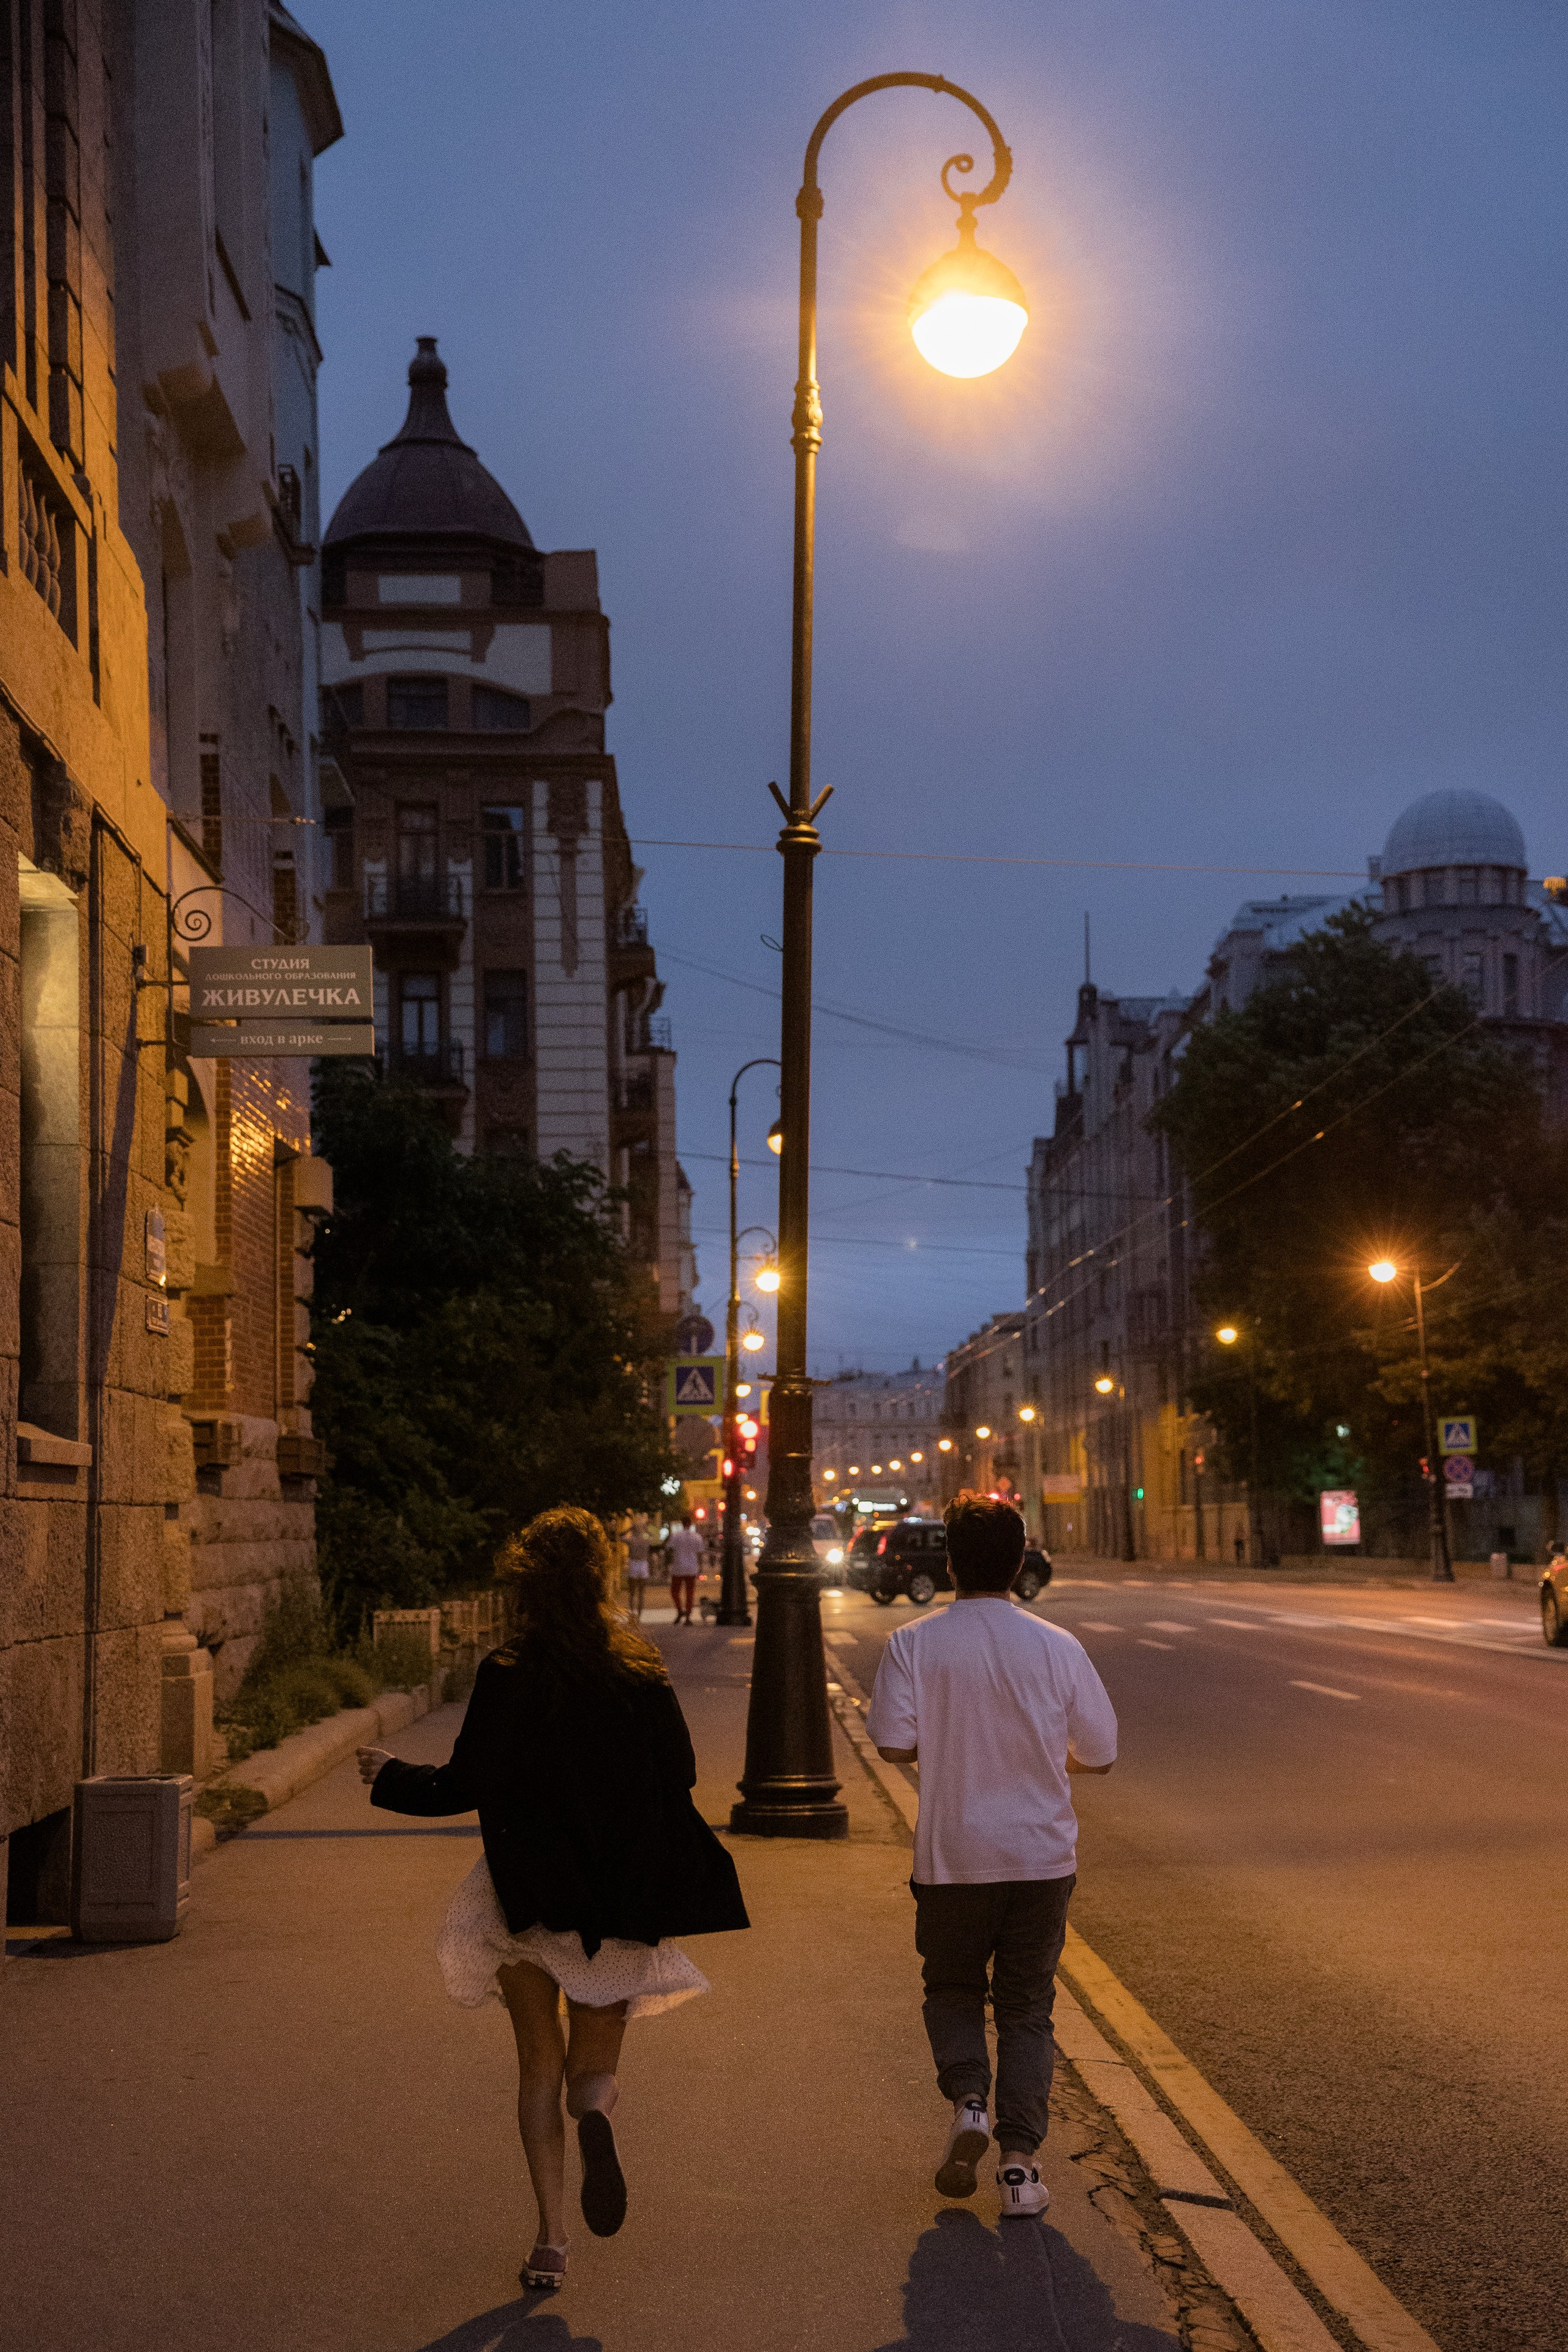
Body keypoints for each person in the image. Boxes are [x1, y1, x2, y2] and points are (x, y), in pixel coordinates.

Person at [356, 1506, 749, 2291]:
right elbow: (681, 1775)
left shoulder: (507, 1671)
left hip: (527, 1895)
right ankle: (597, 2108)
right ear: (599, 1579)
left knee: (537, 2066)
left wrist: (389, 1773)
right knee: (585, 2073)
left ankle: (551, 2240)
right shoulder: (638, 1670)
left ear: (525, 1586)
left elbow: (463, 1785)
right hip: (616, 1904)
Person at [865, 1490, 1117, 2222]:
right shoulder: (1057, 1646)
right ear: (1018, 1563)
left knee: (950, 1990)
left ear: (948, 1563)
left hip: (953, 1859)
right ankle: (1019, 2169)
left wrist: (948, 1741)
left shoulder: (913, 1643)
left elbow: (889, 1743)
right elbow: (1100, 1753)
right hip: (1041, 1859)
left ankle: (969, 2101)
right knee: (1027, 2010)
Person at [667, 1512, 704, 1626]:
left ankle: (680, 1610)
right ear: (691, 1524)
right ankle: (688, 1616)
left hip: (678, 1567)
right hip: (692, 1568)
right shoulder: (697, 1537)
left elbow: (669, 1548)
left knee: (675, 1592)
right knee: (690, 1593)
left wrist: (667, 1565)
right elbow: (700, 1553)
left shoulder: (676, 1536)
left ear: (682, 1524)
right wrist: (700, 1567)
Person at [624, 1510, 652, 1621]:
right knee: (641, 1593)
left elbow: (621, 1536)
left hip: (634, 1564)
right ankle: (639, 1616)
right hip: (643, 1564)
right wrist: (646, 1529)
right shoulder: (646, 1540)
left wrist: (630, 1529)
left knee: (632, 1593)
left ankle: (632, 1613)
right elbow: (652, 1536)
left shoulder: (631, 1540)